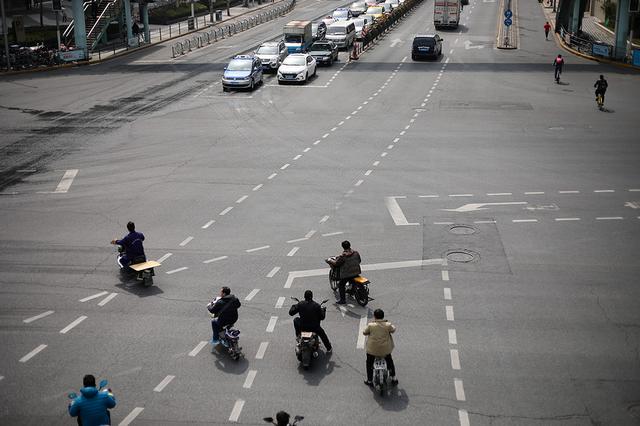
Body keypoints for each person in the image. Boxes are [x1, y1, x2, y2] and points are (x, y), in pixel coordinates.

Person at [363, 309, 397, 386]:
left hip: (372, 350)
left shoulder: (371, 325)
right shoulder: (387, 325)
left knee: (369, 363)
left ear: (375, 316)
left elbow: (364, 332)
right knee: (389, 361)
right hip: (386, 349)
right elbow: (393, 329)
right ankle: (393, 378)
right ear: (383, 316)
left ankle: (369, 380)